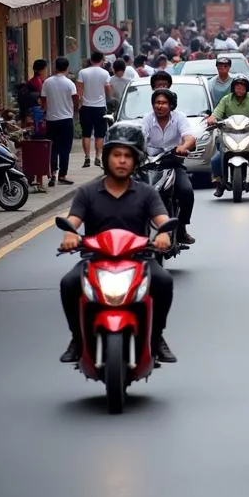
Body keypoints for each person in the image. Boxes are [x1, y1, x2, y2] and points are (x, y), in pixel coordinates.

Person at [58, 123, 177, 364]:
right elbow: (73, 220)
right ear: (106, 157)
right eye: (116, 155)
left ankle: (157, 337)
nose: (121, 161)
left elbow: (161, 219)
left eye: (127, 156)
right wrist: (70, 235)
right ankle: (76, 339)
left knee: (163, 281)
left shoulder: (147, 193)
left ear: (135, 161)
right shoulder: (87, 193)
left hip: (139, 260)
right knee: (69, 283)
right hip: (95, 260)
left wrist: (164, 234)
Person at [141, 88, 198, 244]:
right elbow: (139, 138)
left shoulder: (179, 118)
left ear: (171, 105)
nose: (159, 106)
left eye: (163, 103)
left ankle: (181, 229)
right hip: (149, 165)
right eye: (157, 103)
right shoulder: (147, 119)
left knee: (186, 191)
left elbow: (189, 138)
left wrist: (184, 147)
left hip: (172, 163)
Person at [207, 74, 249, 196]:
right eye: (237, 86)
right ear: (233, 88)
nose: (239, 89)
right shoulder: (226, 100)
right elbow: (216, 114)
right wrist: (212, 118)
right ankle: (220, 184)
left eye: (242, 87)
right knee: (215, 160)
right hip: (228, 136)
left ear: (247, 88)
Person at [40, 57, 79, 186]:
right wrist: (75, 111)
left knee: (53, 149)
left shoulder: (47, 82)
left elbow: (43, 100)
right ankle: (62, 175)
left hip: (51, 120)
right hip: (66, 120)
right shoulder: (69, 83)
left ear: (55, 67)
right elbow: (75, 99)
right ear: (67, 68)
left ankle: (52, 175)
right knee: (65, 149)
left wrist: (45, 111)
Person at [77, 50, 113, 168]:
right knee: (100, 134)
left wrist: (80, 103)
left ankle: (87, 157)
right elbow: (108, 90)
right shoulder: (105, 73)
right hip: (100, 107)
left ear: (91, 60)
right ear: (101, 61)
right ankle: (98, 157)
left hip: (86, 107)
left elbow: (79, 90)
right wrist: (110, 99)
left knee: (86, 134)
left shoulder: (83, 72)